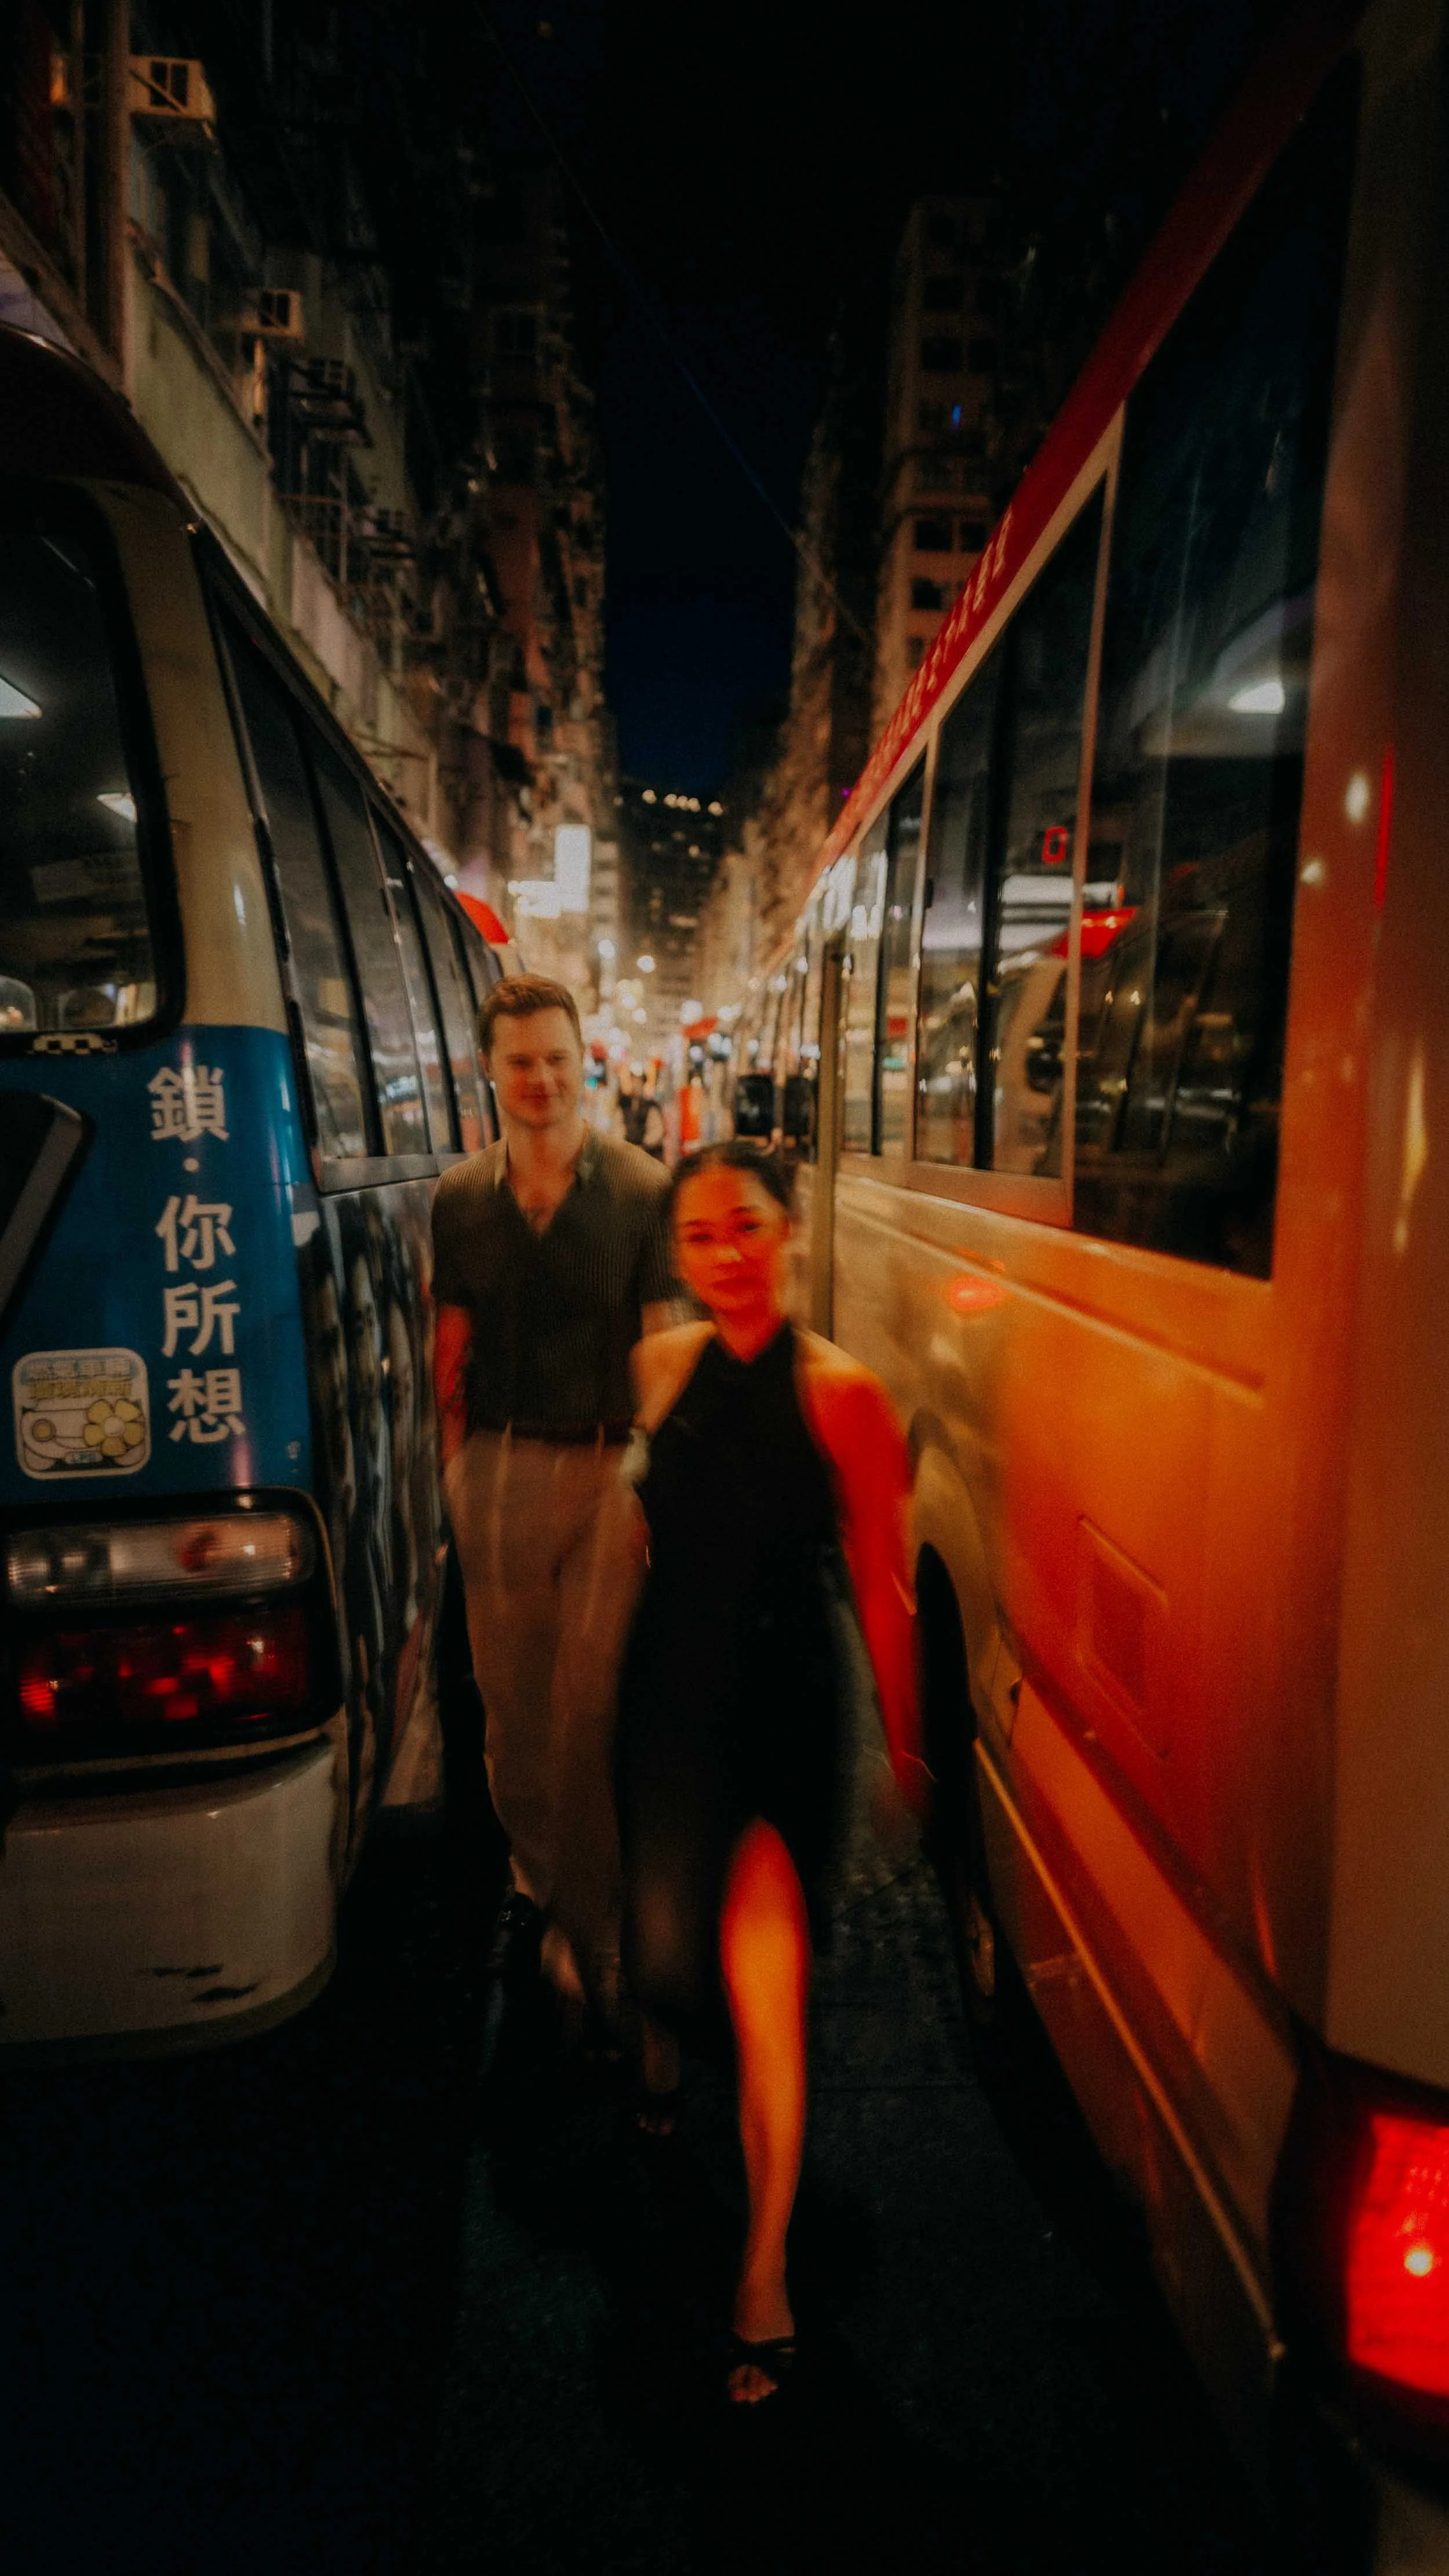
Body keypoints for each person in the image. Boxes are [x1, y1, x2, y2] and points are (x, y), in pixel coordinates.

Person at [616, 1143, 927, 2404]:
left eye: (745, 1225)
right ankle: (651, 2046)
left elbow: (885, 1590)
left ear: (792, 1231)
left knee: (764, 1990)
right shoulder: (656, 1365)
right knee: (672, 1962)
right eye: (697, 1236)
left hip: (784, 1702)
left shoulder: (844, 1392)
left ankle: (762, 2267)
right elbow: (645, 1529)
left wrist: (904, 1743)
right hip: (663, 1702)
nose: (725, 1254)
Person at [432, 974, 675, 2032]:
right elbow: (450, 1350)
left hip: (608, 1470)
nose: (539, 1079)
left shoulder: (640, 1186)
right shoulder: (460, 1198)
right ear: (490, 1069)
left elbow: (662, 1348)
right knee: (513, 1712)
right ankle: (541, 1886)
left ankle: (596, 1927)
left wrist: (662, 1481)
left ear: (586, 1062)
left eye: (556, 1058)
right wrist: (455, 1470)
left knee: (591, 1710)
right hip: (497, 1468)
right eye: (519, 1060)